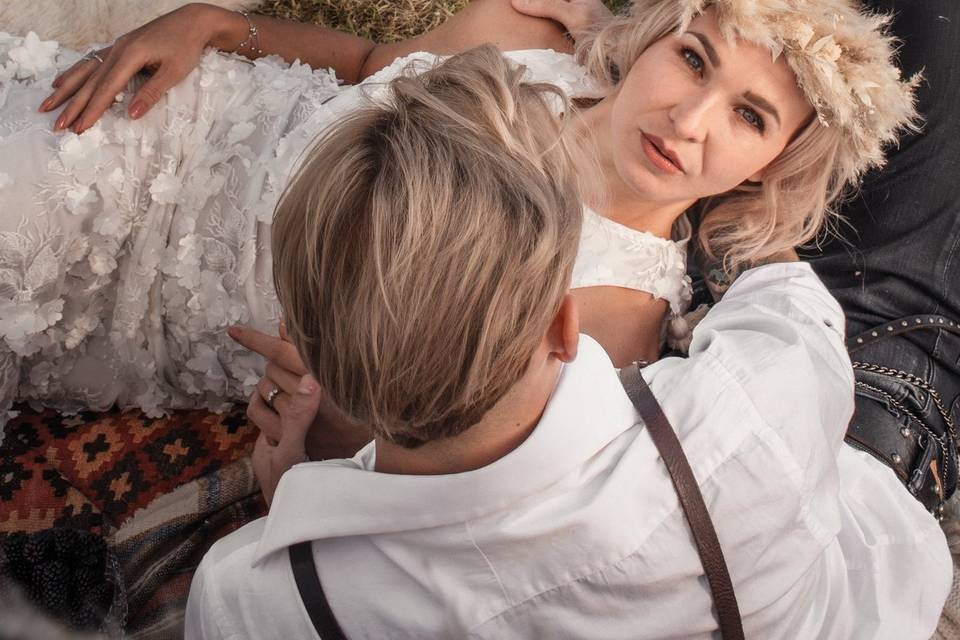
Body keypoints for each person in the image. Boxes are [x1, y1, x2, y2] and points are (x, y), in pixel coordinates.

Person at [185, 46, 949, 639]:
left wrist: (285, 498)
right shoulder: (733, 420)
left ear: (299, 339)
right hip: (864, 535)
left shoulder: (248, 598)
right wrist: (754, 207)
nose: (689, 121)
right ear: (562, 325)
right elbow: (790, 308)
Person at [0, 0, 915, 431]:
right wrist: (207, 25)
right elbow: (366, 63)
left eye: (750, 116)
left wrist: (317, 419)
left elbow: (402, 439)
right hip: (170, 120)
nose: (690, 118)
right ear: (660, 33)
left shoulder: (609, 313)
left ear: (776, 164)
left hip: (154, 298)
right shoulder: (538, 46)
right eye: (694, 58)